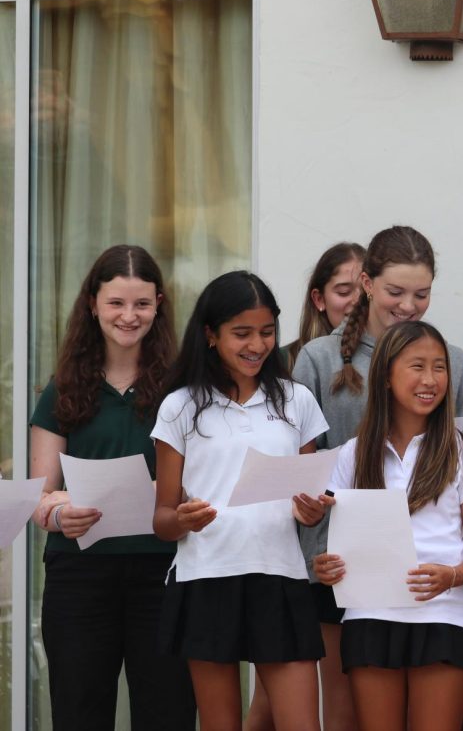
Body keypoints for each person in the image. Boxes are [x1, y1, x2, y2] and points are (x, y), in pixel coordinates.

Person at [287, 225, 463, 731]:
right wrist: (311, 501)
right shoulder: (320, 357)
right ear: (367, 283)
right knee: (343, 708)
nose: (408, 305)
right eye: (396, 292)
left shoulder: (453, 364)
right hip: (345, 566)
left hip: (433, 587)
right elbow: (296, 462)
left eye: (421, 294)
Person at [151, 270, 331, 731]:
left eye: (267, 331)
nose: (257, 344)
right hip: (207, 576)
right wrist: (185, 519)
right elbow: (162, 520)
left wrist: (309, 511)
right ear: (210, 335)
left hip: (280, 575)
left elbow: (304, 498)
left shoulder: (298, 401)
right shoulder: (180, 406)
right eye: (242, 333)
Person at [30, 245, 195, 731]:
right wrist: (59, 514)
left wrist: (174, 493)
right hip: (78, 574)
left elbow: (203, 480)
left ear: (159, 304)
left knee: (167, 712)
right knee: (79, 711)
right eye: (116, 303)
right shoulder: (62, 388)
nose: (129, 316)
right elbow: (40, 495)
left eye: (142, 304)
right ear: (92, 305)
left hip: (163, 573)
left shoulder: (182, 389)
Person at [313, 321, 463, 731]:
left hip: (445, 618)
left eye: (439, 367)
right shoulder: (353, 455)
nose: (431, 380)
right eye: (417, 366)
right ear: (386, 376)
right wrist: (327, 569)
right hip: (369, 616)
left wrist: (452, 576)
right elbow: (338, 550)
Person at [285, 242, 366, 367]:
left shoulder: (390, 354)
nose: (357, 301)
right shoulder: (286, 361)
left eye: (366, 291)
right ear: (319, 299)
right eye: (343, 292)